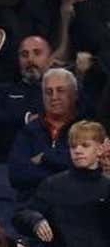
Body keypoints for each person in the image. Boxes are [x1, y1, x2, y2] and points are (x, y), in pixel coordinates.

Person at [15, 120, 110, 247]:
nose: (78, 150)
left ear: (100, 149)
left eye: (85, 145)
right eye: (73, 146)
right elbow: (21, 215)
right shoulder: (53, 185)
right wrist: (36, 220)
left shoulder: (107, 189)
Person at [9, 67, 81, 196]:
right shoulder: (29, 131)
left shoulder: (85, 129)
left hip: (76, 201)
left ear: (74, 94)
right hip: (34, 204)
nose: (54, 97)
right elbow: (17, 175)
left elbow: (87, 168)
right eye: (48, 92)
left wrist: (45, 157)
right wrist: (63, 172)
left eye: (60, 90)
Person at [0, 35, 50, 156]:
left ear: (50, 58)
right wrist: (26, 118)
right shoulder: (2, 91)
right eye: (24, 55)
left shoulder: (61, 90)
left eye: (37, 53)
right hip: (4, 160)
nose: (30, 59)